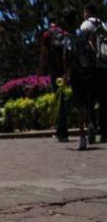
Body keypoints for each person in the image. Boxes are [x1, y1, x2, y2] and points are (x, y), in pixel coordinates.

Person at [69, 4, 107, 150]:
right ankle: (104, 131)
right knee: (104, 100)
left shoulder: (85, 25)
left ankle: (91, 124)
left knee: (90, 98)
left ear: (87, 12)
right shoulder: (103, 24)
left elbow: (82, 46)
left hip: (93, 67)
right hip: (105, 65)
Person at [40, 10, 77, 143]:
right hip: (67, 69)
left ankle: (63, 131)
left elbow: (43, 55)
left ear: (49, 22)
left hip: (55, 72)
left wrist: (41, 70)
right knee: (65, 99)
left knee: (60, 100)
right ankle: (62, 129)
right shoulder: (64, 33)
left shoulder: (47, 34)